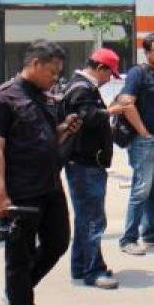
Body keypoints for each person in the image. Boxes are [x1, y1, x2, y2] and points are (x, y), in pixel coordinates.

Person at [0, 40, 81, 305]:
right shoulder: (2, 99)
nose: (55, 78)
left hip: (50, 185)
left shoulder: (45, 98)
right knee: (19, 254)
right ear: (35, 64)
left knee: (58, 242)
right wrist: (1, 194)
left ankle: (17, 290)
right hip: (22, 191)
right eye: (52, 72)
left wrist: (64, 129)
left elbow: (44, 136)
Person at [61, 48, 122, 290]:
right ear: (100, 68)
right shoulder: (81, 89)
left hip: (84, 163)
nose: (109, 80)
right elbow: (87, 116)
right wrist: (112, 111)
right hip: (85, 164)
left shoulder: (80, 87)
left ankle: (80, 265)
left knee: (86, 217)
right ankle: (93, 270)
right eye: (110, 74)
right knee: (93, 219)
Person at [118, 32, 154, 255]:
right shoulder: (137, 73)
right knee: (141, 190)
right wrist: (142, 132)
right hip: (145, 142)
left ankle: (150, 232)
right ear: (147, 52)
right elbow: (126, 103)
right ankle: (128, 239)